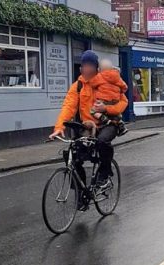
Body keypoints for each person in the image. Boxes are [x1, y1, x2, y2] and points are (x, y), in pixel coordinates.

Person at [49, 50, 127, 209]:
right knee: (71, 155)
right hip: (87, 127)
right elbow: (68, 106)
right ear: (80, 69)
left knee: (103, 141)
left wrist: (107, 108)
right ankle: (81, 193)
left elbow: (122, 102)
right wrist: (59, 127)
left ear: (97, 68)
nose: (87, 69)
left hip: (108, 123)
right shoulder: (77, 86)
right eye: (85, 66)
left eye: (91, 65)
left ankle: (104, 175)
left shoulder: (108, 82)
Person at [90, 59, 128, 136]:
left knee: (93, 111)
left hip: (103, 100)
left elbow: (92, 83)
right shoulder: (118, 77)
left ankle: (104, 119)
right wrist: (120, 91)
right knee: (117, 115)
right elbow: (125, 87)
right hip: (115, 100)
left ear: (99, 69)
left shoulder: (99, 76)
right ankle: (121, 125)